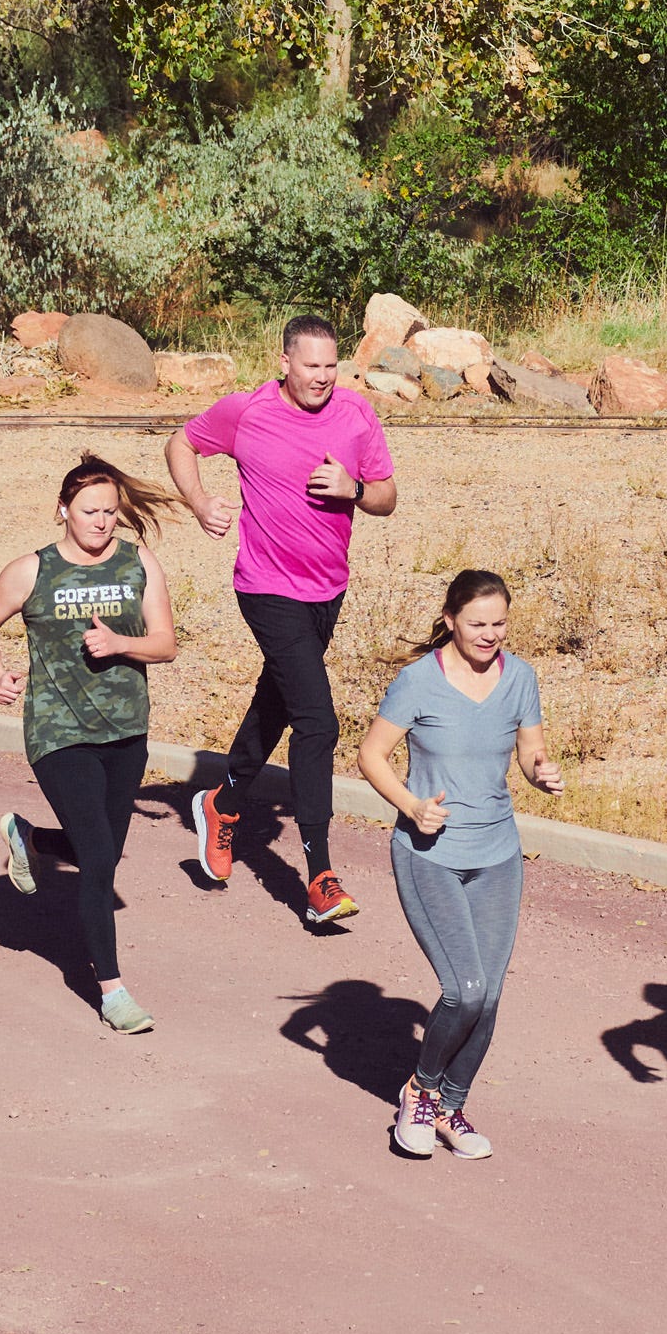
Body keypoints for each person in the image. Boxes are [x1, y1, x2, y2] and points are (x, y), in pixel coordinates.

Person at [164, 315, 397, 927]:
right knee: (317, 721)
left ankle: (223, 803)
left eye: (331, 365)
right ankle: (319, 876)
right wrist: (198, 501)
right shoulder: (247, 411)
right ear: (286, 362)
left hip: (328, 590)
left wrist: (354, 488)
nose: (321, 377)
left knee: (278, 702)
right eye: (310, 365)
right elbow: (181, 443)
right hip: (265, 587)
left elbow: (387, 497)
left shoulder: (355, 415)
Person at [355, 570, 562, 1161]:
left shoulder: (519, 676)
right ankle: (419, 1092)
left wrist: (541, 772)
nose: (490, 634)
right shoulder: (417, 682)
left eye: (499, 623)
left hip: (497, 852)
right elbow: (372, 756)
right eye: (477, 623)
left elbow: (529, 749)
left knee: (490, 995)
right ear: (450, 621)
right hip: (431, 855)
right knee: (463, 990)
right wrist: (413, 806)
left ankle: (450, 1105)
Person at [0, 453, 179, 1033]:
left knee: (102, 852)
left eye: (111, 511)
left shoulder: (139, 564)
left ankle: (30, 837)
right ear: (63, 510)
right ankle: (112, 990)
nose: (102, 521)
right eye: (90, 510)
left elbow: (165, 643)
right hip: (58, 730)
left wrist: (121, 645)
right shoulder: (32, 571)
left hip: (126, 731)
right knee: (98, 867)